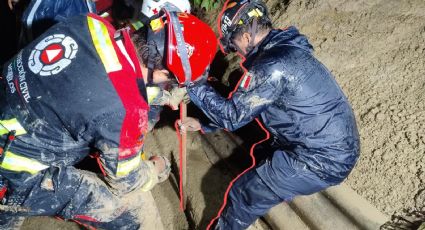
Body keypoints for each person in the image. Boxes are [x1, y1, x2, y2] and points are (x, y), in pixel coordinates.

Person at [0, 6, 216, 229]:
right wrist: (154, 169)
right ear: (165, 73)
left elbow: (103, 79)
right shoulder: (126, 111)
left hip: (12, 113)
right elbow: (126, 181)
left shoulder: (90, 23)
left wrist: (160, 94)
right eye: (173, 81)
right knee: (130, 210)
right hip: (14, 170)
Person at [179, 0, 360, 229]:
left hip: (321, 160)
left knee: (243, 195)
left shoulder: (272, 66)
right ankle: (266, 196)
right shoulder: (286, 51)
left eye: (233, 45)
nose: (236, 52)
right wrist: (204, 123)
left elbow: (233, 116)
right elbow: (251, 107)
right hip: (329, 145)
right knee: (261, 152)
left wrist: (192, 84)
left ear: (245, 37)